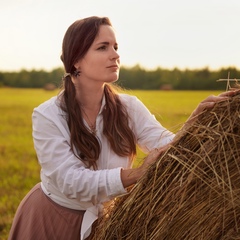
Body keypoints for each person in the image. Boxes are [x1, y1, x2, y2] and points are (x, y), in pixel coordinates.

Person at [8, 16, 235, 240]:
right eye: (102, 47)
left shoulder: (129, 107)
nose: (115, 55)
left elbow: (166, 147)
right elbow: (70, 181)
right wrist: (136, 174)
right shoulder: (48, 115)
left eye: (116, 47)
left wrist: (194, 124)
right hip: (51, 219)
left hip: (105, 223)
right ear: (76, 59)